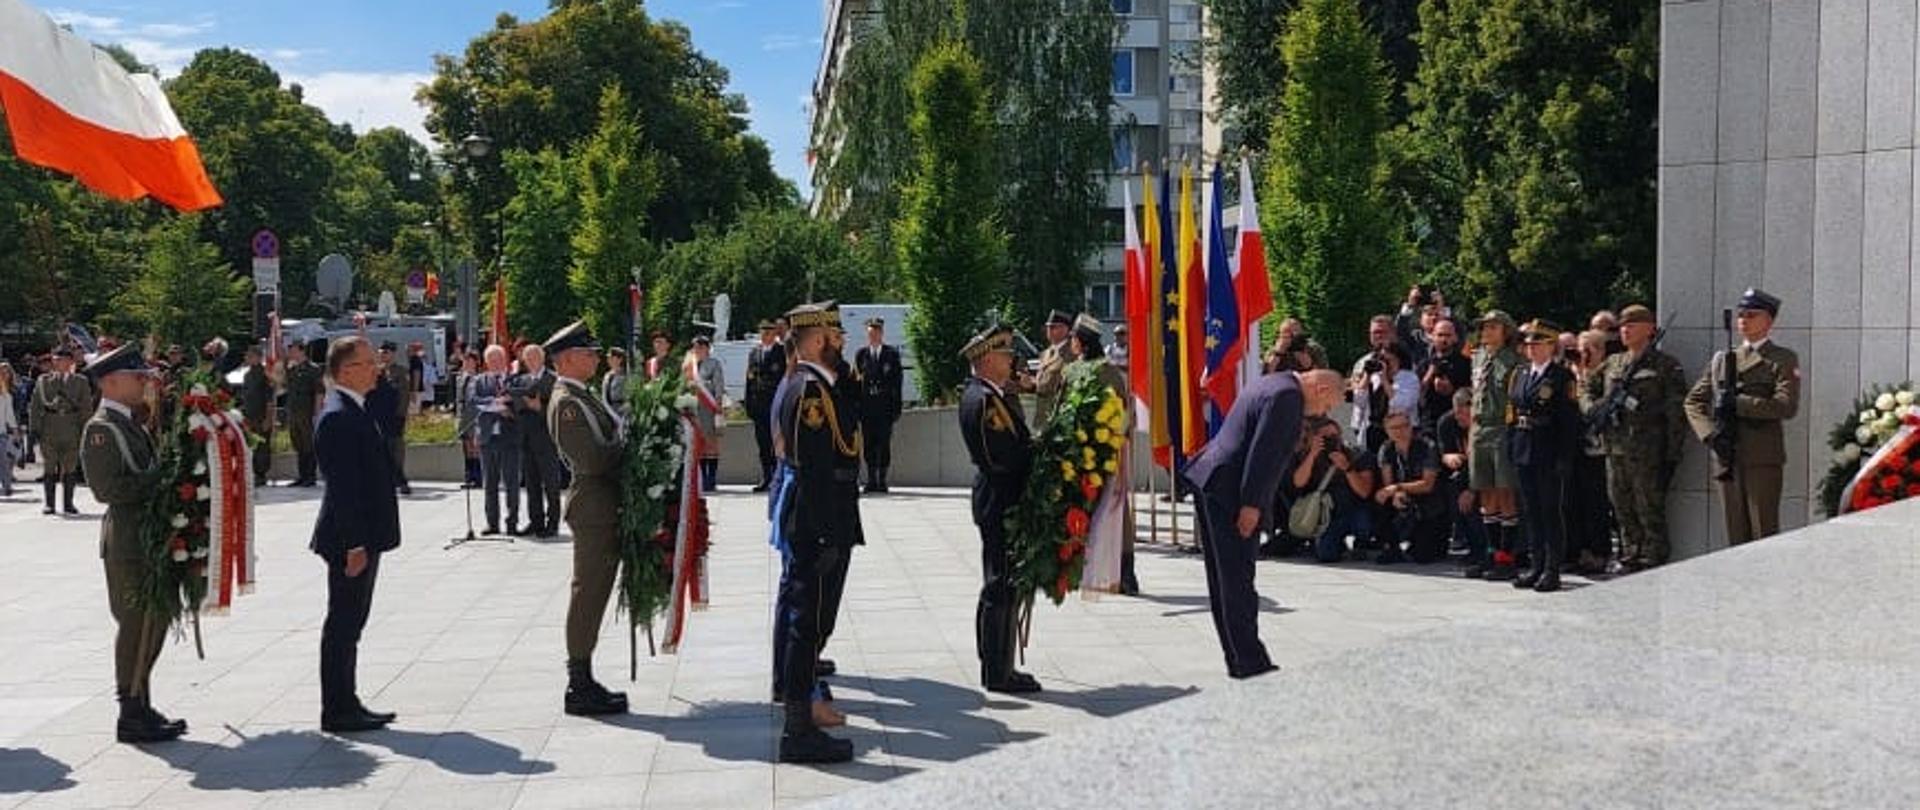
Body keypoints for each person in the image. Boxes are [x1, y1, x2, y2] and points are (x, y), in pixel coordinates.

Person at [1183, 368, 1343, 678]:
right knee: (1237, 579)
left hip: (1215, 479)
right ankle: (1251, 663)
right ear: (1321, 388)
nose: (1325, 413)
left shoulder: (1274, 381)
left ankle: (1240, 657)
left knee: (1224, 580)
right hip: (1232, 491)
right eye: (1329, 405)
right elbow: (1264, 454)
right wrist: (1252, 505)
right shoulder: (1288, 397)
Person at [78, 344, 184, 743]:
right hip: (127, 542)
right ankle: (130, 710)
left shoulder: (130, 423)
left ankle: (141, 700)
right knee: (137, 623)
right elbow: (106, 489)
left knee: (155, 620)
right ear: (110, 381)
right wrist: (164, 478)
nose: (145, 381)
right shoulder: (102, 428)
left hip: (146, 538)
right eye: (136, 376)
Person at [772, 302, 862, 764]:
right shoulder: (808, 392)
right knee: (803, 626)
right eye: (833, 335)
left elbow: (857, 411)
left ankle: (800, 723)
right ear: (813, 340)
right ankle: (797, 730)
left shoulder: (822, 385)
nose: (840, 340)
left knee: (807, 624)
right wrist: (827, 532)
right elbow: (815, 468)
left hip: (825, 517)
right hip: (816, 520)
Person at [310, 336, 401, 733]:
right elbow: (343, 488)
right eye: (367, 363)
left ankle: (347, 700)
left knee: (352, 622)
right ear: (346, 371)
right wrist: (354, 544)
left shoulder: (354, 408)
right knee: (344, 623)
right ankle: (338, 708)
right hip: (350, 539)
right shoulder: (338, 416)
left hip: (361, 535)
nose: (376, 368)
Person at [540, 322, 630, 716]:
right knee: (588, 592)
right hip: (593, 506)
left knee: (595, 591)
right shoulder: (567, 402)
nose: (596, 358)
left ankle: (584, 676)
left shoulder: (583, 395)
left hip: (603, 504)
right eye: (589, 353)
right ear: (568, 359)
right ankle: (578, 682)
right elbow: (591, 459)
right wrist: (629, 445)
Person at [958, 325, 1042, 693]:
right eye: (1006, 355)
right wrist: (1040, 452)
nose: (1011, 361)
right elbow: (1002, 455)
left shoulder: (991, 394)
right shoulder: (983, 401)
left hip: (1000, 498)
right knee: (1001, 585)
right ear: (988, 358)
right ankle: (997, 671)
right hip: (1000, 498)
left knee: (1003, 584)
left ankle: (998, 663)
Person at [1685, 288, 1800, 547]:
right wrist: (1709, 435)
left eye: (1751, 315)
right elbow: (1693, 402)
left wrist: (1739, 403)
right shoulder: (1722, 360)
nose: (1743, 321)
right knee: (1735, 534)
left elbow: (1786, 406)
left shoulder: (1781, 359)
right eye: (1740, 315)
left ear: (1768, 321)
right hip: (1726, 455)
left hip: (1761, 457)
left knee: (1763, 532)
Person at [1583, 305, 1687, 571]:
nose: (1625, 330)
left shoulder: (1666, 365)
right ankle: (1630, 553)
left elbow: (1676, 412)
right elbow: (1586, 387)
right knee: (1621, 506)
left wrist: (1673, 452)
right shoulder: (1614, 363)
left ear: (1650, 329)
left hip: (1649, 451)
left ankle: (1653, 557)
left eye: (1632, 325)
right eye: (1622, 326)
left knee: (1649, 508)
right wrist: (1593, 408)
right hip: (1615, 447)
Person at [1507, 320, 1580, 592]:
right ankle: (1536, 565)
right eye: (1529, 344)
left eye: (1538, 344)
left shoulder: (1562, 377)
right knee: (1531, 511)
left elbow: (1568, 422)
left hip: (1548, 450)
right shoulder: (1521, 374)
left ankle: (1552, 569)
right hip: (1524, 448)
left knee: (1550, 511)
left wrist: (1564, 458)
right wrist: (1511, 447)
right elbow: (1512, 415)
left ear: (1551, 346)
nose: (1532, 349)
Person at [1068, 315, 1137, 595]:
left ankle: (1078, 570)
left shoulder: (1073, 371)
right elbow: (1126, 411)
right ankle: (1126, 573)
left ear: (1079, 342)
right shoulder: (1110, 371)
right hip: (1108, 450)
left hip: (1079, 451)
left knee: (1081, 506)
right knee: (1117, 511)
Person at [1467, 310, 1523, 580]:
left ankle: (1507, 556)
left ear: (1506, 331)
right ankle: (1491, 553)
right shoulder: (1478, 356)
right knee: (1485, 492)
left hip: (1502, 427)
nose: (1486, 331)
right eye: (1484, 327)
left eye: (1492, 327)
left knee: (1505, 493)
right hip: (1479, 428)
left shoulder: (1513, 360)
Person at [1283, 416, 1376, 563]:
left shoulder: (1357, 454)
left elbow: (1364, 492)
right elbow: (1298, 483)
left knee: (1364, 522)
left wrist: (1348, 468)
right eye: (1324, 437)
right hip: (1325, 515)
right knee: (1326, 555)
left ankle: (1362, 542)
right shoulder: (1306, 455)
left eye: (1334, 436)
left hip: (1352, 510)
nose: (1330, 440)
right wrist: (1312, 455)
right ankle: (1334, 543)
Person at [1565, 329, 1615, 573]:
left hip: (1598, 448)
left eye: (1588, 350)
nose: (1581, 355)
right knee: (1575, 502)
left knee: (1596, 504)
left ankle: (1599, 551)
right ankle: (1579, 550)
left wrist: (1584, 377)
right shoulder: (1571, 375)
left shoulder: (1606, 373)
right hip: (1576, 448)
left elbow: (1595, 407)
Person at [1373, 410, 1448, 564]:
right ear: (1387, 431)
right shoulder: (1386, 449)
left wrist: (1397, 488)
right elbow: (1387, 482)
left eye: (1404, 426)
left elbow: (1428, 484)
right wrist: (1395, 494)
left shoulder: (1427, 446)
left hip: (1427, 501)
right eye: (1394, 428)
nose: (1400, 431)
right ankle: (1391, 546)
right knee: (1379, 498)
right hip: (1402, 495)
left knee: (1423, 556)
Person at [30, 347, 92, 515]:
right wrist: (34, 429)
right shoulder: (43, 381)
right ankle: (49, 504)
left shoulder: (80, 381)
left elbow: (86, 407)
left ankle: (68, 503)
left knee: (69, 467)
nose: (56, 362)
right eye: (55, 359)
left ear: (70, 362)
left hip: (71, 427)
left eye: (61, 359)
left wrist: (85, 429)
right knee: (49, 466)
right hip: (49, 427)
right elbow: (35, 406)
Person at [470, 345, 525, 535]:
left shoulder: (514, 380)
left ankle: (512, 523)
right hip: (487, 438)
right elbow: (474, 400)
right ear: (486, 362)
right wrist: (496, 404)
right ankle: (492, 524)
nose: (495, 363)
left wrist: (509, 409)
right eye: (491, 360)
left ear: (505, 360)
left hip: (509, 438)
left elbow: (520, 404)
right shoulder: (479, 380)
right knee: (490, 484)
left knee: (511, 483)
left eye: (498, 359)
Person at [515, 344, 563, 538]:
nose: (531, 361)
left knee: (551, 484)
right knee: (532, 485)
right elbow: (517, 406)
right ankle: (536, 522)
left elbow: (558, 410)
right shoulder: (521, 380)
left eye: (535, 357)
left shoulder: (553, 380)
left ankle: (552, 523)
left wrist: (539, 408)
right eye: (528, 358)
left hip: (547, 440)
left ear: (542, 358)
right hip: (526, 439)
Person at [1348, 316, 1413, 453]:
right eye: (1374, 333)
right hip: (1369, 428)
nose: (1378, 336)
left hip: (1399, 429)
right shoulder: (1363, 363)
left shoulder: (1407, 366)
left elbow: (1402, 403)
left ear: (1393, 334)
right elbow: (1358, 400)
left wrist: (1384, 378)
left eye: (1382, 332)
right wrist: (1366, 376)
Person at [854, 317, 904, 494]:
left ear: (881, 333)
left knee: (883, 444)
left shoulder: (891, 354)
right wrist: (857, 407)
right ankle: (871, 479)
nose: (873, 336)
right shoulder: (861, 354)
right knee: (868, 444)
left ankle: (882, 479)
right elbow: (857, 382)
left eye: (876, 332)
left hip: (884, 407)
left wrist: (897, 406)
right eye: (870, 333)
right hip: (867, 407)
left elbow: (897, 382)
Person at [1435, 387, 1483, 562]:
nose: (1459, 417)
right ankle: (1471, 545)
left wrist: (1472, 489)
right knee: (1453, 489)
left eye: (1464, 412)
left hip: (1486, 474)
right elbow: (1442, 452)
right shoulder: (1447, 423)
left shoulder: (1484, 425)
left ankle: (1486, 549)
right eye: (1457, 412)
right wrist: (1446, 456)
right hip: (1461, 472)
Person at [746, 320, 787, 492]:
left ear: (774, 334)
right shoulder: (754, 353)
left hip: (775, 403)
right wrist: (748, 402)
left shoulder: (781, 352)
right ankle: (767, 476)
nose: (765, 336)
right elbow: (749, 379)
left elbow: (784, 379)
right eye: (762, 333)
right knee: (763, 443)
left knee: (776, 443)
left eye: (768, 333)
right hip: (759, 404)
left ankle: (778, 476)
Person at [1416, 318, 1472, 438]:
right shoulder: (1424, 365)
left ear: (1455, 337)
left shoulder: (1466, 364)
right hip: (1429, 423)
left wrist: (1452, 389)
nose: (1444, 339)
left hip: (1457, 422)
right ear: (1432, 337)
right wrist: (1431, 373)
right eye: (1440, 335)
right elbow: (1417, 394)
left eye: (1448, 335)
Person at [684, 335, 726, 494]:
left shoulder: (714, 364)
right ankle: (701, 477)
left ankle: (711, 478)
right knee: (698, 443)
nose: (697, 350)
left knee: (710, 442)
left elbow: (718, 385)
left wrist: (718, 404)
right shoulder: (690, 365)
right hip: (693, 408)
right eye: (695, 347)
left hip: (708, 408)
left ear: (707, 348)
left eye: (700, 347)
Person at [284, 341, 325, 487]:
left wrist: (317, 411)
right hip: (294, 411)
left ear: (302, 351)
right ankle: (302, 476)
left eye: (293, 350)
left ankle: (310, 476)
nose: (290, 353)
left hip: (307, 411)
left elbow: (319, 391)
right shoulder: (293, 369)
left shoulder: (313, 369)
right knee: (298, 444)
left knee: (308, 444)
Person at [373, 342, 412, 495]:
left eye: (386, 353)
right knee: (382, 449)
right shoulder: (377, 372)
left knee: (395, 449)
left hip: (394, 416)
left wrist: (401, 415)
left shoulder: (401, 371)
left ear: (393, 354)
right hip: (379, 416)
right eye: (381, 353)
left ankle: (400, 479)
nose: (383, 355)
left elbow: (404, 395)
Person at [1031, 309, 1073, 429]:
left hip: (1058, 416)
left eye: (1054, 327)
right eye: (1048, 327)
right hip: (1042, 415)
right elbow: (1043, 381)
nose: (1049, 331)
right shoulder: (1046, 353)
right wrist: (1031, 383)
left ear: (1065, 329)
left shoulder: (1071, 353)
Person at [240, 345, 275, 488]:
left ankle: (261, 474)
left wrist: (268, 418)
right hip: (249, 416)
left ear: (258, 357)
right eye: (247, 356)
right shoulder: (247, 375)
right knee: (252, 446)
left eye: (250, 356)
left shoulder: (265, 375)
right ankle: (254, 473)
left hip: (261, 416)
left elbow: (269, 400)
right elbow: (246, 397)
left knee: (262, 447)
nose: (247, 358)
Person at [453, 351, 484, 488]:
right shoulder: (459, 379)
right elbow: (457, 399)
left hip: (475, 416)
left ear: (476, 363)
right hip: (463, 416)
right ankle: (469, 476)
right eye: (465, 361)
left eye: (470, 361)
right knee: (466, 447)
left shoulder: (480, 378)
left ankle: (478, 477)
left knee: (475, 448)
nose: (467, 364)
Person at [1263, 318, 1329, 374]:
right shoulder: (1273, 351)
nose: (1291, 337)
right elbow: (1267, 374)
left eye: (1295, 332)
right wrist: (1278, 353)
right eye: (1287, 333)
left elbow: (1322, 373)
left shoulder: (1313, 348)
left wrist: (1307, 362)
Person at [0, 362, 19, 497]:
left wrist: (15, 430)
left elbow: (10, 415)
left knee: (4, 461)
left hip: (1, 433)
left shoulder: (6, 395)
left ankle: (7, 486)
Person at [601, 347, 631, 420]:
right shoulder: (607, 375)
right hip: (609, 410)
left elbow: (630, 396)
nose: (608, 360)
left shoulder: (626, 376)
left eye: (611, 357)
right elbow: (604, 395)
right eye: (608, 358)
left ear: (620, 359)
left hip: (622, 412)